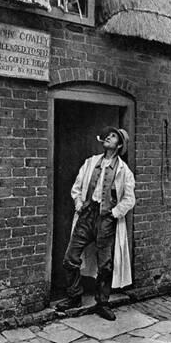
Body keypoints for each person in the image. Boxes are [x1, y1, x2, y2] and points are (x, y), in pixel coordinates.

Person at [55, 126, 136, 321]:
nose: (108, 137)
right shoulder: (91, 163)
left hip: (106, 220)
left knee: (106, 265)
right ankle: (74, 297)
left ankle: (103, 302)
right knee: (70, 258)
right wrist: (79, 204)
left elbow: (129, 199)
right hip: (87, 216)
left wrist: (114, 213)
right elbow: (76, 187)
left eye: (113, 136)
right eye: (107, 135)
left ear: (119, 145)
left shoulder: (124, 171)